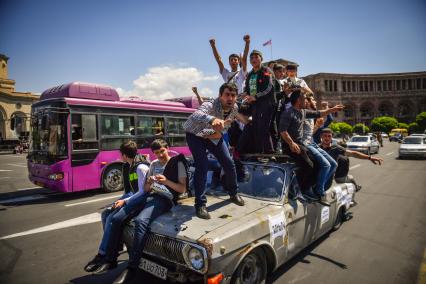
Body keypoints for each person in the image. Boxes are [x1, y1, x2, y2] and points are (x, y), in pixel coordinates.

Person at [112, 139, 188, 283]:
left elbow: (182, 189)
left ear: (168, 148)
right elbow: (146, 189)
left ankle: (132, 266)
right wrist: (150, 181)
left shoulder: (177, 163)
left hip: (166, 199)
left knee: (141, 221)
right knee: (118, 216)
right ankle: (112, 254)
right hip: (151, 196)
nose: (160, 155)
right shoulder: (153, 164)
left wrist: (165, 181)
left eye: (162, 151)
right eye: (156, 153)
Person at [84, 141, 150, 274]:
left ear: (124, 155)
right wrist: (120, 200)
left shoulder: (141, 167)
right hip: (132, 196)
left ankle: (107, 255)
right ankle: (110, 249)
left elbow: (143, 191)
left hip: (140, 199)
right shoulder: (128, 165)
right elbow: (129, 189)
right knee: (105, 214)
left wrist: (124, 202)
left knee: (114, 219)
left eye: (120, 154)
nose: (119, 156)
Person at [184, 83, 245, 219]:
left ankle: (233, 193)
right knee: (202, 165)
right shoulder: (210, 104)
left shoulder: (234, 108)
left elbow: (223, 130)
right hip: (194, 134)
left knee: (229, 163)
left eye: (233, 95)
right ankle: (200, 204)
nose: (230, 98)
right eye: (227, 95)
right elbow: (196, 114)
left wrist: (216, 132)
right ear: (220, 96)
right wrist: (212, 119)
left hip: (213, 135)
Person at [279, 91, 344, 198]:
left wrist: (332, 110)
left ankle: (313, 187)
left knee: (318, 164)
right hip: (289, 146)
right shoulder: (288, 113)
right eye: (304, 98)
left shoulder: (303, 112)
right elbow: (282, 131)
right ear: (298, 100)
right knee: (308, 165)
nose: (306, 101)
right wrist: (291, 143)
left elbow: (319, 113)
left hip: (300, 144)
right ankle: (303, 189)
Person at [302, 94, 339, 203]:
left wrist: (317, 126)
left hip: (312, 142)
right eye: (312, 99)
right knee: (326, 165)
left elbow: (311, 132)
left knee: (334, 164)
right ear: (306, 102)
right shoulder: (302, 113)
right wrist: (330, 108)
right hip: (307, 143)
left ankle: (318, 186)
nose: (314, 101)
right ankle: (320, 191)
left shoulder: (311, 116)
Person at [241, 50, 276, 153]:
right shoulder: (250, 74)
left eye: (256, 57)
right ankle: (259, 152)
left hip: (266, 104)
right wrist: (245, 93)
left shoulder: (266, 70)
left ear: (261, 59)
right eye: (251, 58)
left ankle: (270, 153)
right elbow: (247, 88)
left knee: (263, 128)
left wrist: (256, 96)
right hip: (255, 105)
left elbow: (269, 87)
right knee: (256, 127)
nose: (254, 59)